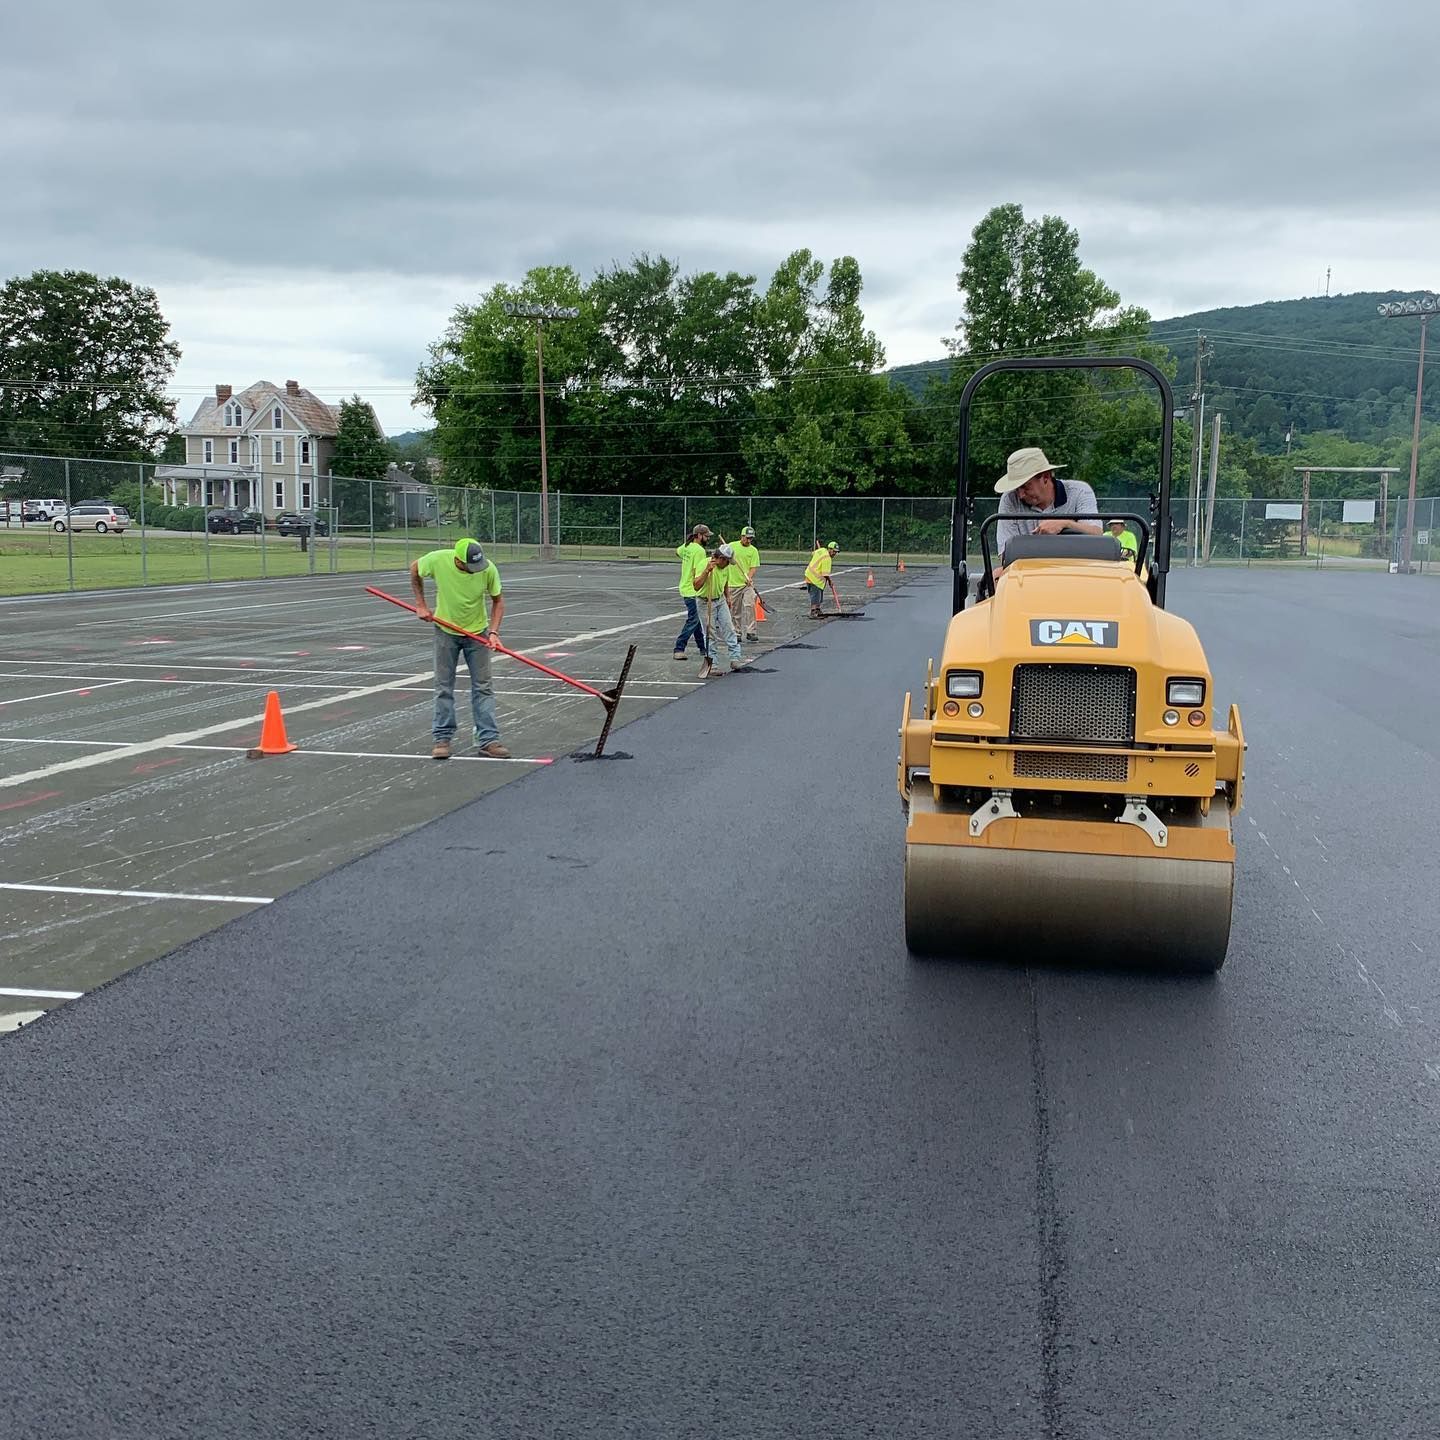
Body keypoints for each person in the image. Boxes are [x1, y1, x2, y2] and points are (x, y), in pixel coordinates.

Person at [410, 537, 510, 761]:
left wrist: (493, 632)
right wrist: (421, 605)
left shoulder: (487, 568)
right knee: (443, 686)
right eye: (470, 566)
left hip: (477, 633)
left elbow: (498, 601)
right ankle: (442, 738)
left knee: (483, 686)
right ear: (458, 560)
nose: (476, 570)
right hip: (446, 631)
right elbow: (415, 568)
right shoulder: (437, 560)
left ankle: (488, 740)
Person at [691, 543, 746, 678]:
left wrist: (727, 597)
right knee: (710, 634)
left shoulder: (725, 567)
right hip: (705, 601)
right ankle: (713, 664)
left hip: (720, 600)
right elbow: (696, 586)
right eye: (727, 561)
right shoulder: (704, 564)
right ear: (721, 558)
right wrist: (706, 572)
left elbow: (725, 581)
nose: (728, 564)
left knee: (729, 628)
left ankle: (735, 659)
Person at [674, 523, 711, 660]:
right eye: (706, 536)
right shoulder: (700, 551)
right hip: (693, 590)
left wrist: (686, 562)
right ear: (699, 535)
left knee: (696, 621)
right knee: (693, 620)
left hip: (684, 587)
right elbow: (698, 572)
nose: (708, 539)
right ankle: (679, 648)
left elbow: (677, 552)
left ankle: (703, 648)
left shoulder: (687, 546)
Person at [729, 525, 761, 641]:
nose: (749, 540)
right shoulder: (732, 546)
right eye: (747, 538)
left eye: (751, 538)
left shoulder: (753, 551)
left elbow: (753, 567)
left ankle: (751, 631)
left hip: (746, 584)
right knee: (735, 610)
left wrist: (749, 577)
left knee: (750, 605)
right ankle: (737, 632)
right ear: (742, 536)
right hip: (733, 583)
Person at [804, 540, 839, 617]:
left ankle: (818, 609)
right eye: (834, 551)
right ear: (829, 549)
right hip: (814, 578)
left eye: (836, 552)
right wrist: (830, 581)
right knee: (815, 595)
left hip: (809, 575)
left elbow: (813, 553)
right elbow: (825, 574)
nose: (834, 554)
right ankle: (813, 611)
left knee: (819, 594)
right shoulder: (827, 558)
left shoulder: (822, 550)